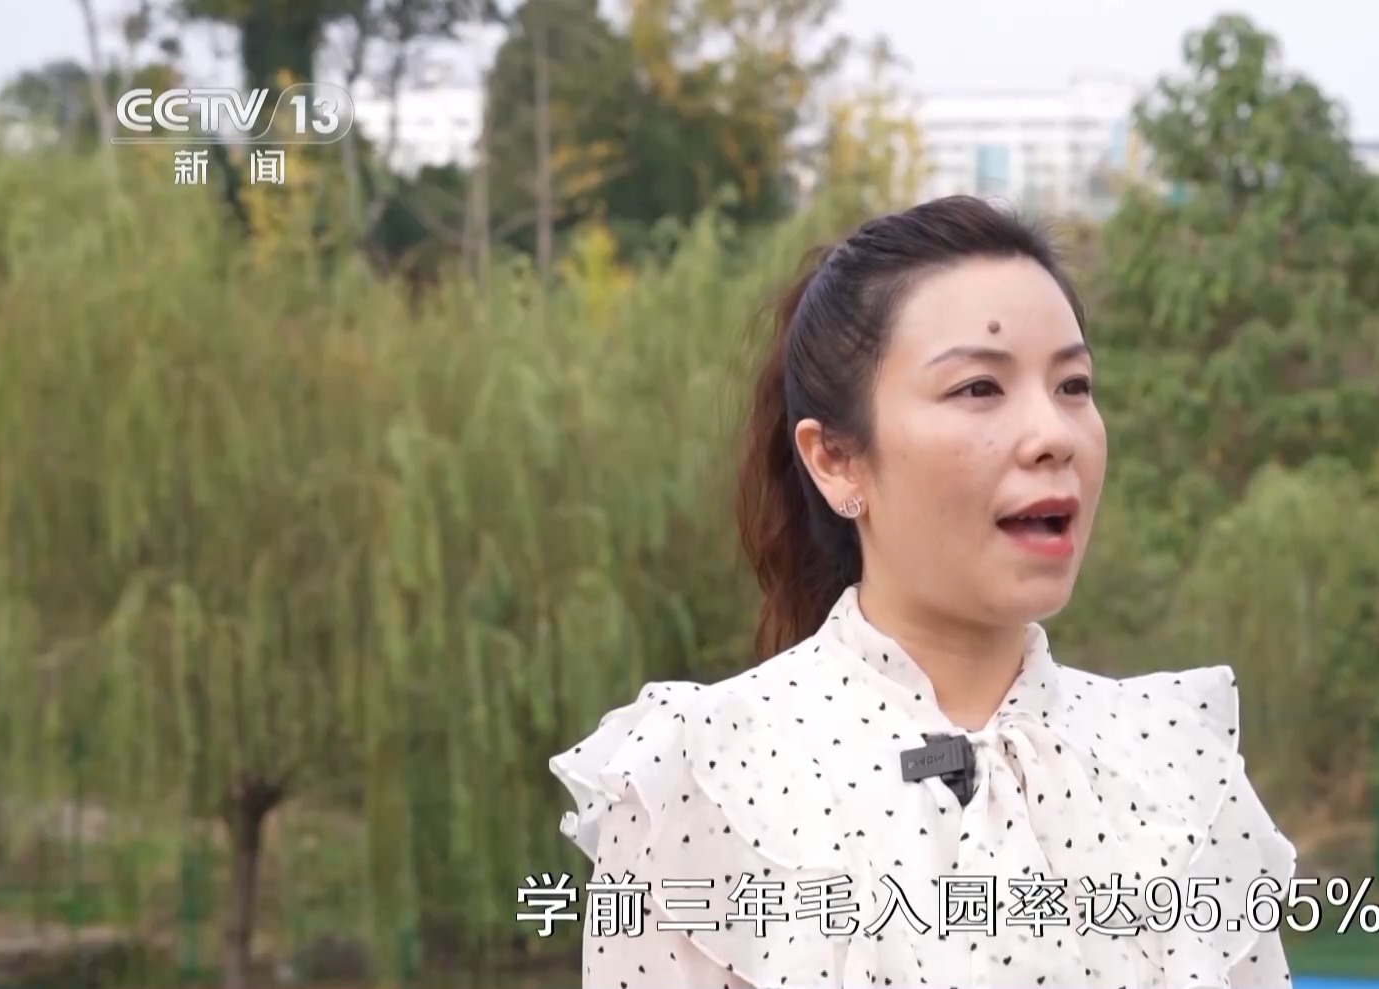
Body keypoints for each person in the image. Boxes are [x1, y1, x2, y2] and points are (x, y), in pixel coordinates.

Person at [550, 195, 1298, 988]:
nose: (1053, 435)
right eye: (979, 388)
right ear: (836, 459)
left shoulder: (1177, 766)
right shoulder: (702, 781)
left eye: (1074, 385)